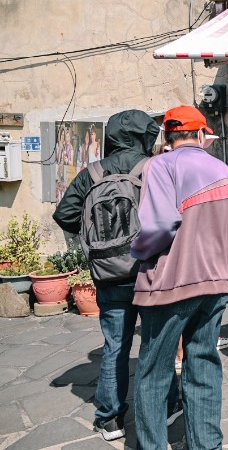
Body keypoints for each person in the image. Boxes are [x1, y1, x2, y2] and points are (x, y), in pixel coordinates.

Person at [131, 105, 228, 449]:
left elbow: (158, 225)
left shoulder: (160, 164)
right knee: (203, 364)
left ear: (169, 136)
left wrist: (139, 253)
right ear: (202, 135)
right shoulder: (224, 171)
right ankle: (206, 445)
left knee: (154, 372)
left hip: (170, 282)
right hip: (216, 282)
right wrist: (220, 249)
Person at [53, 110, 181, 442]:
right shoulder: (155, 168)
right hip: (151, 272)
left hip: (108, 275)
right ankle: (166, 405)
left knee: (115, 347)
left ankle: (110, 419)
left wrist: (94, 239)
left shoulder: (90, 174)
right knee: (156, 345)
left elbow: (65, 214)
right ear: (144, 136)